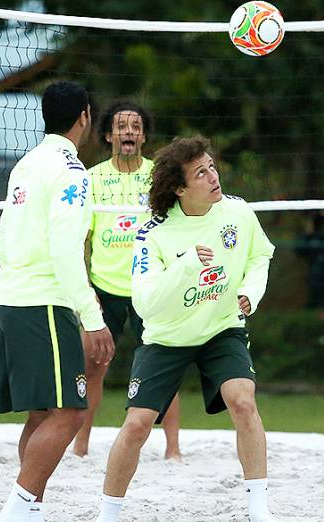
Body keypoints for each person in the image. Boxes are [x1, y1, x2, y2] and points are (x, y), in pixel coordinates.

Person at [95, 136, 276, 522]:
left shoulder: (238, 213)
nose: (213, 176)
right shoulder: (153, 233)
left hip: (221, 327)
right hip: (167, 336)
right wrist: (187, 264)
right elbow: (146, 304)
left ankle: (259, 510)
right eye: (201, 173)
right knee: (138, 423)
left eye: (212, 166)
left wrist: (250, 290)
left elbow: (261, 254)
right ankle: (107, 514)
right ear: (179, 188)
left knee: (243, 400)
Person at [0, 81, 115, 521]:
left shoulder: (25, 164)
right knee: (69, 413)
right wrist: (92, 316)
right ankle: (15, 510)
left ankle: (31, 509)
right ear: (84, 116)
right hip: (43, 301)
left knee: (43, 413)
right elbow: (65, 250)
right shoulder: (71, 171)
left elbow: (4, 236)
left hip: (10, 296)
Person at [73, 100, 181, 460]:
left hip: (150, 287)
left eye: (135, 126)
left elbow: (174, 229)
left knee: (165, 365)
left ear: (144, 136)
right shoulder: (91, 178)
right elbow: (82, 240)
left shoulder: (158, 176)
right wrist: (86, 288)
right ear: (108, 135)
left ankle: (173, 449)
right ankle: (81, 446)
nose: (129, 132)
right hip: (105, 288)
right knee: (93, 366)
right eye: (122, 126)